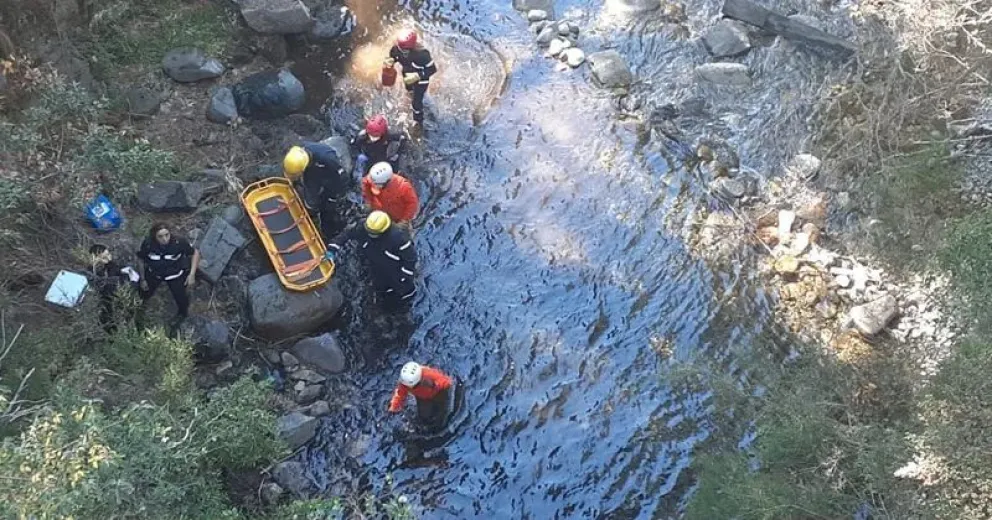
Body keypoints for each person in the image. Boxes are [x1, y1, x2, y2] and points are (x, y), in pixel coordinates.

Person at [325, 211, 416, 307]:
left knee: (404, 293)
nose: (370, 234)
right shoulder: (363, 227)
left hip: (395, 271)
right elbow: (347, 233)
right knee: (381, 290)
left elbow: (410, 259)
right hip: (376, 267)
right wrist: (333, 248)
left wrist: (404, 277)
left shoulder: (399, 239)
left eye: (373, 233)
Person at [137, 223, 200, 321]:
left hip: (175, 275)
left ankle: (181, 316)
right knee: (143, 294)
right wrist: (142, 279)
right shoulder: (148, 244)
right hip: (154, 274)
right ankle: (138, 312)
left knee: (181, 299)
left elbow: (195, 253)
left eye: (167, 235)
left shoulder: (179, 242)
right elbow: (141, 259)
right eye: (160, 236)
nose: (165, 239)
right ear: (154, 236)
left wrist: (192, 274)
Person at [283, 143, 350, 232]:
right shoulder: (296, 157)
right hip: (313, 169)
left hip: (330, 174)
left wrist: (335, 196)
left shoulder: (328, 159)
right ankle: (312, 215)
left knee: (329, 205)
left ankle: (324, 223)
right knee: (310, 199)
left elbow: (342, 178)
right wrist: (293, 182)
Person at [384, 29, 437, 126]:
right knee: (408, 89)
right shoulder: (395, 49)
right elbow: (392, 58)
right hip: (407, 73)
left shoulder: (422, 54)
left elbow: (432, 69)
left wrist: (418, 76)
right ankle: (410, 94)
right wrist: (388, 66)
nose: (400, 51)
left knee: (416, 103)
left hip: (421, 79)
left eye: (404, 51)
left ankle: (418, 122)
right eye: (399, 48)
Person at [89, 244, 140, 333]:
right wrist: (133, 282)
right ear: (95, 259)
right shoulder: (94, 274)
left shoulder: (112, 266)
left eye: (108, 255)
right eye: (104, 257)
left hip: (123, 307)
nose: (109, 259)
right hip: (110, 310)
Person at [388, 361, 453, 428]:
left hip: (439, 393)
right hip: (422, 397)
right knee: (424, 419)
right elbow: (400, 394)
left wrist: (434, 386)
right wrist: (393, 408)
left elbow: (448, 382)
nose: (406, 387)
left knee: (441, 415)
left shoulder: (429, 375)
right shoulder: (405, 382)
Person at [361, 162, 419, 227]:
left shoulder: (404, 187)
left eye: (378, 184)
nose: (374, 185)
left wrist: (404, 221)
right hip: (378, 211)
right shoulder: (373, 178)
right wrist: (368, 201)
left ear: (387, 182)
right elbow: (365, 183)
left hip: (397, 217)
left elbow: (412, 204)